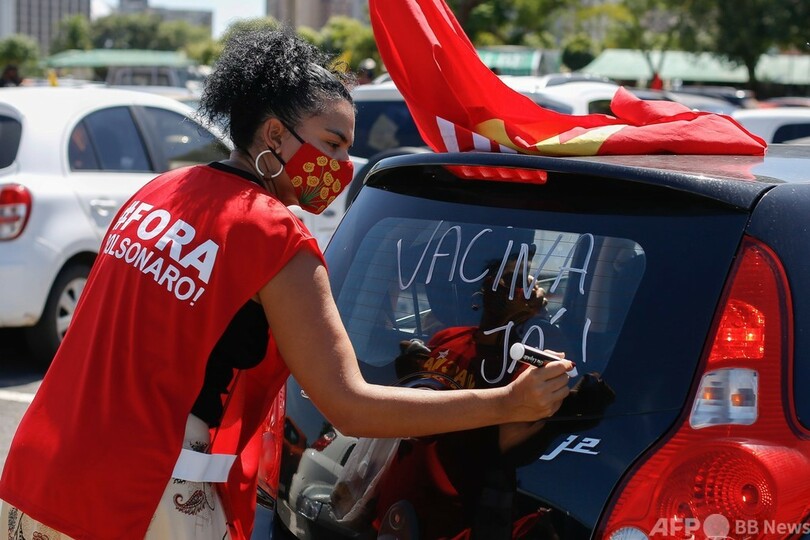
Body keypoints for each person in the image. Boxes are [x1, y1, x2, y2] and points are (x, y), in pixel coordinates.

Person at [0, 28, 573, 540]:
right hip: (143, 501)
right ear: (274, 133)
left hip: (42, 474)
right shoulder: (274, 236)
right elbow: (350, 406)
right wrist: (506, 402)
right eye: (332, 144)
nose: (344, 167)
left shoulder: (159, 193)